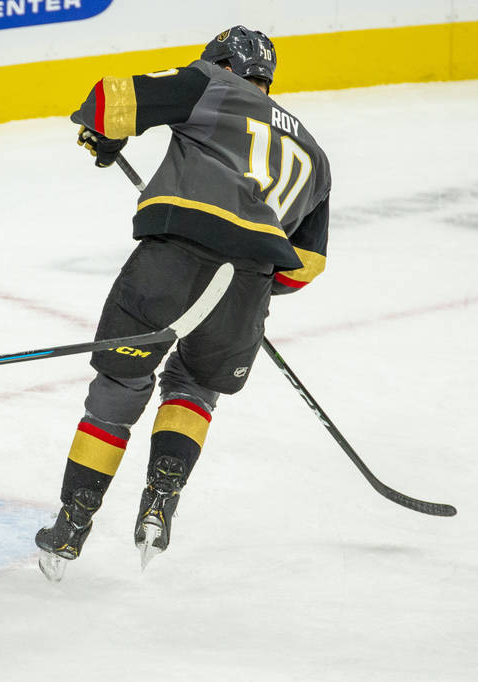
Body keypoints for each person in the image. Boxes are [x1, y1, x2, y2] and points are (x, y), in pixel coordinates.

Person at [35, 26, 332, 577]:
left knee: (121, 384)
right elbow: (305, 268)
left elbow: (107, 101)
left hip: (173, 260)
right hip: (248, 286)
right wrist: (248, 281)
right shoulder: (315, 154)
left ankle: (73, 524)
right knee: (194, 386)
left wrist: (106, 137)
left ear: (219, 61)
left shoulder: (211, 82)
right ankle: (158, 506)